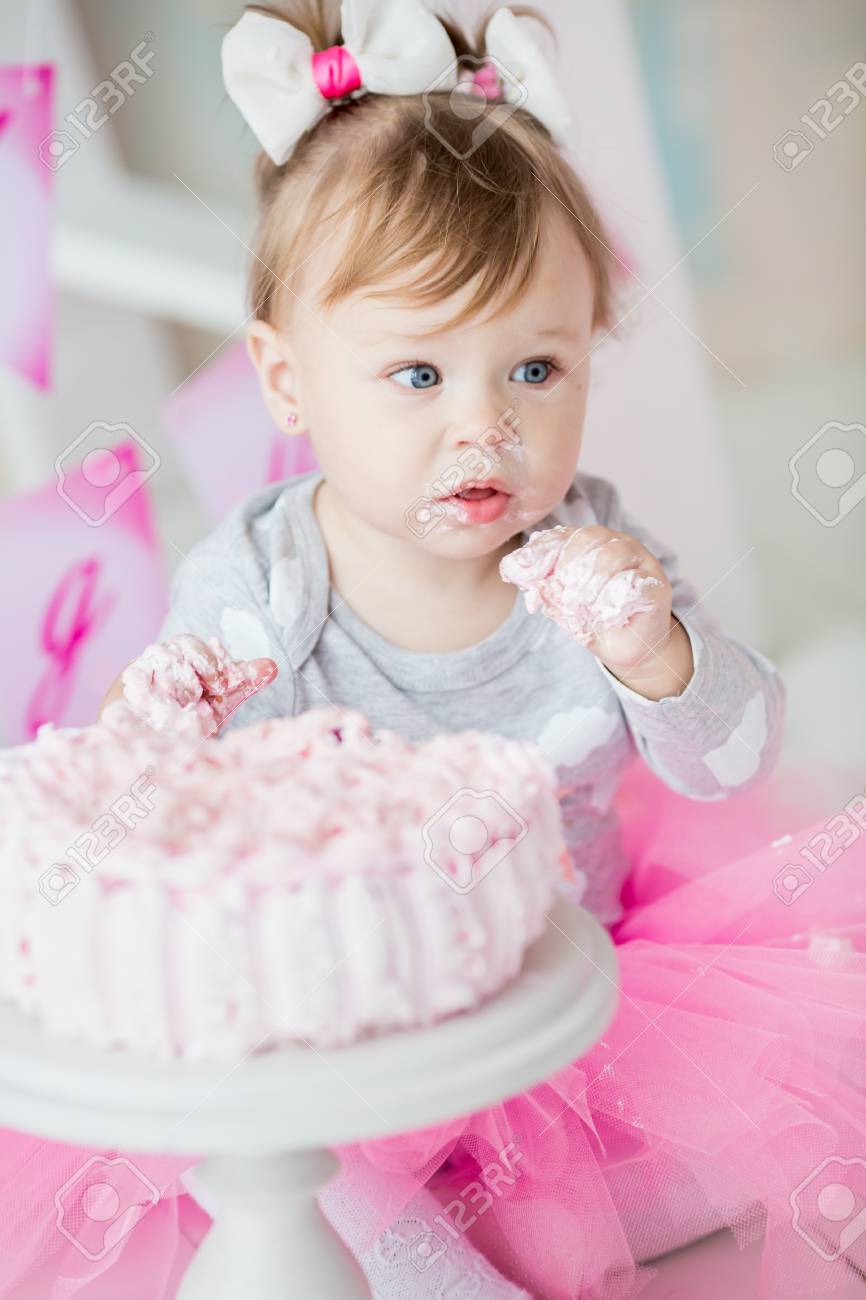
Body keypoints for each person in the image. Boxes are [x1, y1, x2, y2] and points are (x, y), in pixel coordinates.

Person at [9, 3, 865, 1297]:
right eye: (418, 376)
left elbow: (731, 762)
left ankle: (576, 1215)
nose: (486, 428)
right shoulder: (264, 586)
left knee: (777, 1112)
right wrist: (159, 711)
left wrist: (657, 653)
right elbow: (159, 803)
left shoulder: (589, 557)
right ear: (287, 382)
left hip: (571, 1002)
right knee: (300, 1185)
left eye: (535, 369)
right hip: (345, 1044)